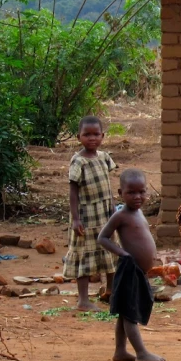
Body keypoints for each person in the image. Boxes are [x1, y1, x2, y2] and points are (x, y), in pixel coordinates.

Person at [97, 169, 165, 361]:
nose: (137, 197)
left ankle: (120, 351)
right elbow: (102, 238)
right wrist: (122, 253)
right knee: (130, 312)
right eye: (131, 192)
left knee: (124, 312)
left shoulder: (139, 212)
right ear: (120, 193)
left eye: (142, 192)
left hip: (138, 271)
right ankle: (141, 352)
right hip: (129, 269)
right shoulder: (121, 215)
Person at [63, 115, 117, 311]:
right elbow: (73, 191)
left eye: (96, 134)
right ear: (79, 137)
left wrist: (113, 209)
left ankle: (111, 292)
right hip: (86, 216)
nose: (92, 138)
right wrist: (76, 219)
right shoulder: (78, 161)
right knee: (84, 255)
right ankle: (83, 300)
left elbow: (108, 186)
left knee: (110, 252)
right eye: (87, 135)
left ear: (102, 136)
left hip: (105, 214)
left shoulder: (104, 157)